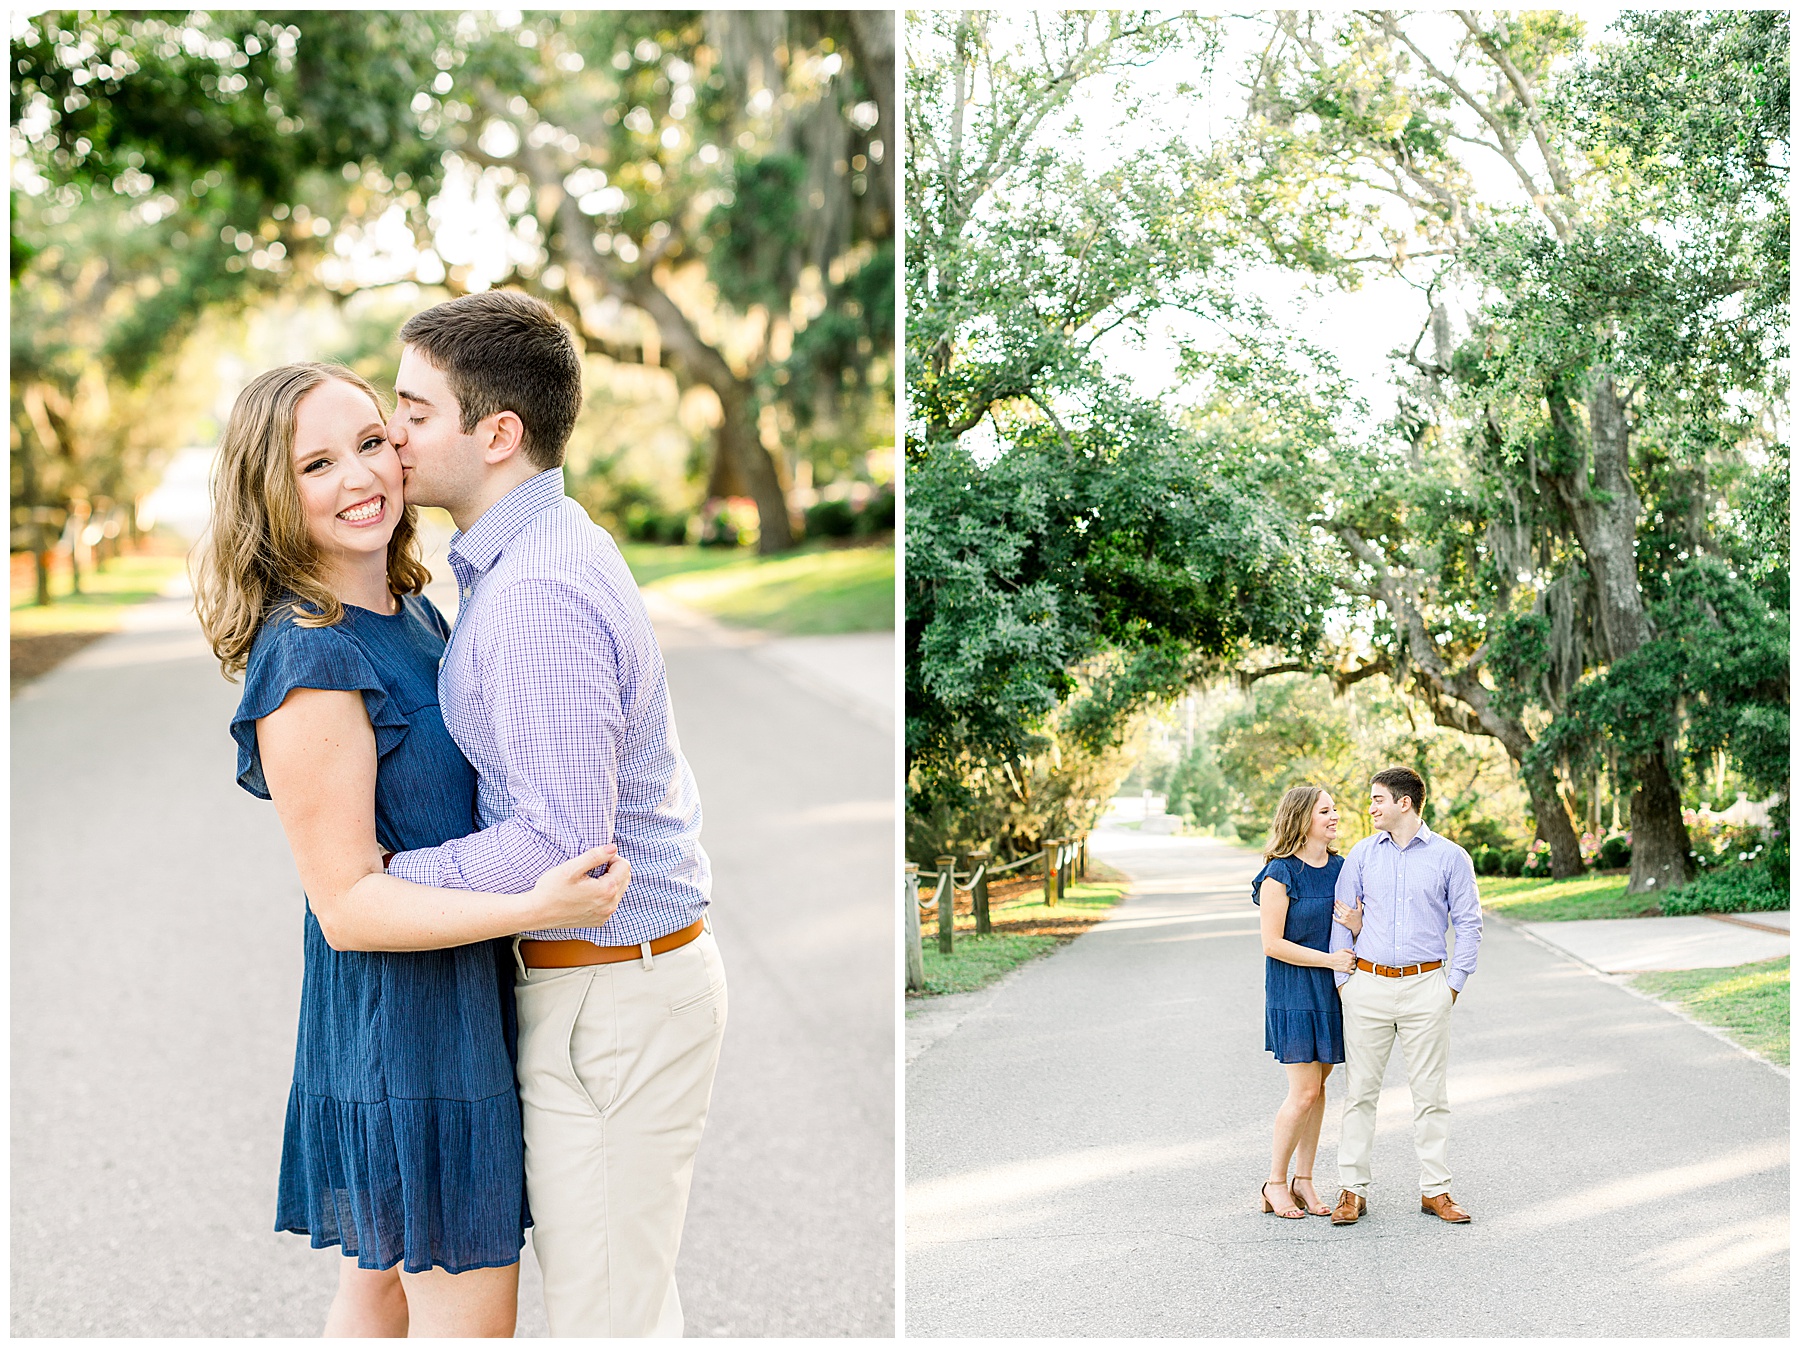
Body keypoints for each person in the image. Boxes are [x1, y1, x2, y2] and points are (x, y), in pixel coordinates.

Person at [194, 362, 632, 1336]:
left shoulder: (410, 612)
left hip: (452, 999)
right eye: (315, 462)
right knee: (468, 1321)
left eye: (369, 441)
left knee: (384, 1291)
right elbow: (347, 905)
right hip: (408, 1030)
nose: (359, 476)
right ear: (270, 490)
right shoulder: (312, 657)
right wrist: (532, 908)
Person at [379, 290, 728, 1338]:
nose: (392, 432)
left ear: (498, 434)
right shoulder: (521, 557)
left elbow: (563, 850)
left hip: (614, 999)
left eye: (414, 410)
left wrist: (391, 876)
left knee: (606, 1320)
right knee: (620, 1306)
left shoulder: (535, 592)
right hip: (602, 996)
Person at [1327, 766, 1482, 1226]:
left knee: (1431, 1094)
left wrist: (1451, 986)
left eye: (1377, 799)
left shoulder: (1451, 857)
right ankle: (1352, 1190)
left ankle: (1436, 1190)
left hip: (1426, 987)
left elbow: (1469, 925)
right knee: (1359, 1094)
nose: (1370, 807)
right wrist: (1346, 984)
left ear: (1405, 803)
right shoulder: (1361, 855)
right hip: (1367, 987)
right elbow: (1342, 917)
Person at [1251, 785, 1361, 1218]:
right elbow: (1272, 943)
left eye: (1335, 810)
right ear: (1301, 818)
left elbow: (1358, 922)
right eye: (1325, 811)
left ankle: (1305, 1181)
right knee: (1303, 1092)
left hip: (1332, 992)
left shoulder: (1342, 868)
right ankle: (1274, 1183)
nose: (1334, 817)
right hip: (1294, 990)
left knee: (1319, 1092)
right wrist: (1329, 958)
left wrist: (1358, 921)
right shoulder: (1280, 873)